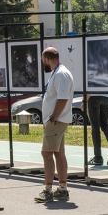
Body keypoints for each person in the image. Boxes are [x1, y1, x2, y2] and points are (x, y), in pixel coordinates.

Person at [35, 47, 73, 203]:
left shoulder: (60, 74)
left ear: (46, 58)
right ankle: (62, 189)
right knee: (58, 153)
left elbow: (63, 98)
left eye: (42, 59)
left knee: (47, 153)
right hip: (57, 120)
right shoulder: (57, 73)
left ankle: (48, 190)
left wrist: (53, 117)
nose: (42, 62)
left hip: (56, 120)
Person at [87, 96, 108, 166]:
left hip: (94, 97)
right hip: (106, 97)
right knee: (105, 125)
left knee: (95, 128)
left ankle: (98, 157)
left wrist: (84, 100)